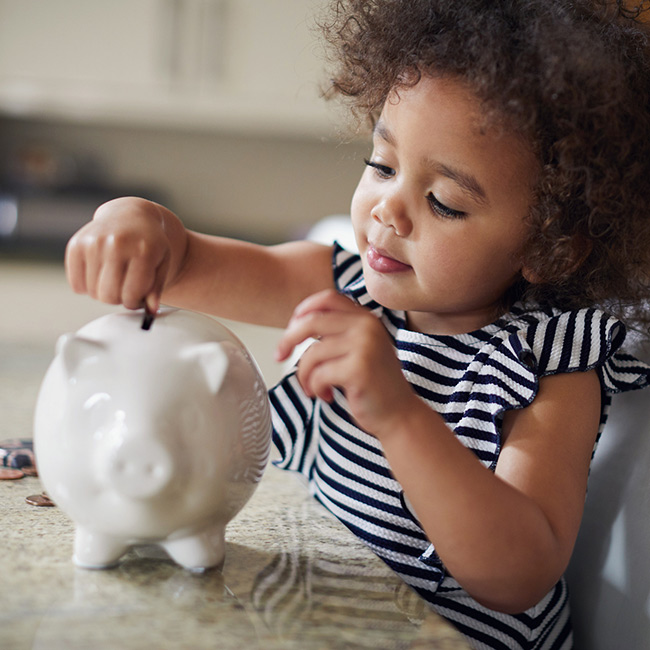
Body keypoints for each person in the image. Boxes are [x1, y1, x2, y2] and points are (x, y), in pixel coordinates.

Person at [64, 1, 650, 648]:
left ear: (550, 248)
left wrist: (398, 413)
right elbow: (188, 263)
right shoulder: (341, 284)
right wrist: (136, 220)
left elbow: (517, 575)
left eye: (443, 202)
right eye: (383, 164)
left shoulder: (547, 363)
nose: (388, 210)